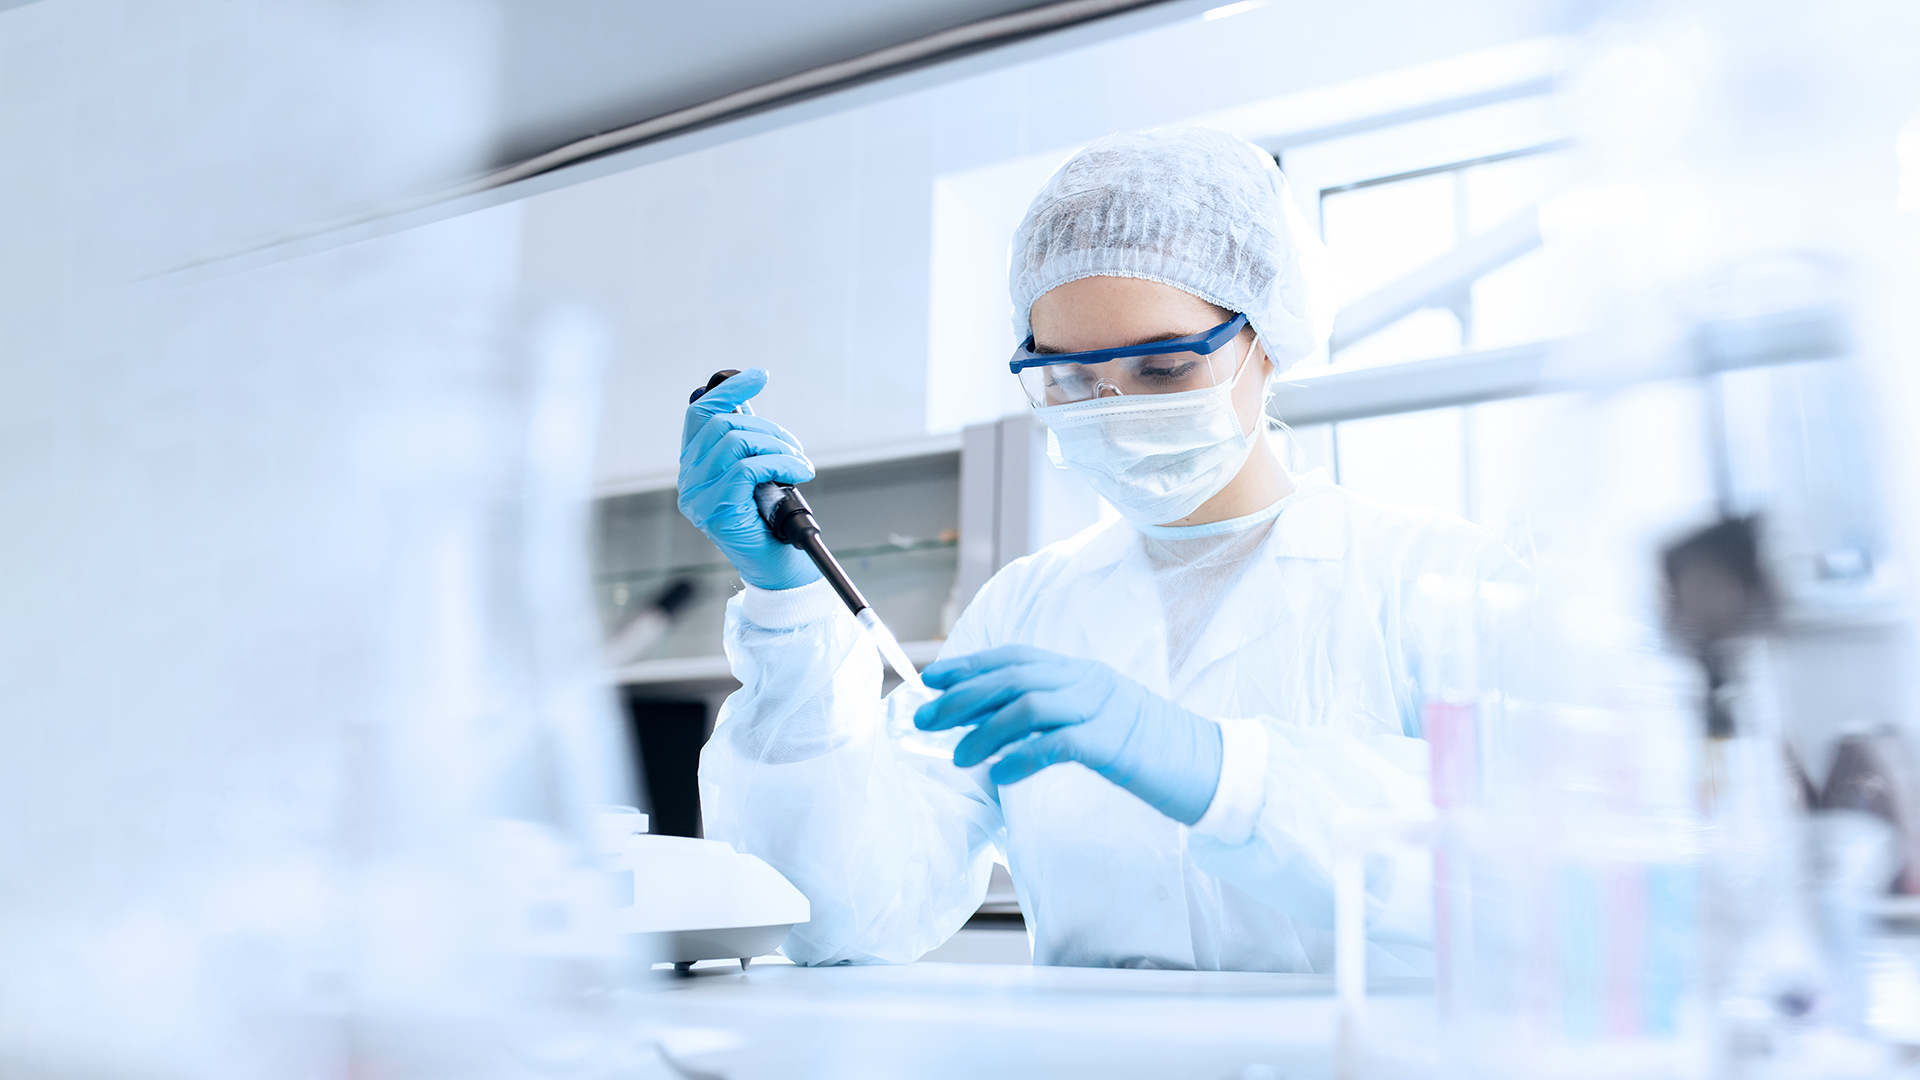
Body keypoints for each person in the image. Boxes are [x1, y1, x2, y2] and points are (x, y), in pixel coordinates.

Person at [678, 127, 1526, 971]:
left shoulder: (1438, 583)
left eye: (1162, 370)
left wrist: (1230, 775)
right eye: (1073, 380)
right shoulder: (1025, 608)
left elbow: (1542, 878)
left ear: (1266, 341)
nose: (1115, 407)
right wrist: (788, 608)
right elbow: (840, 917)